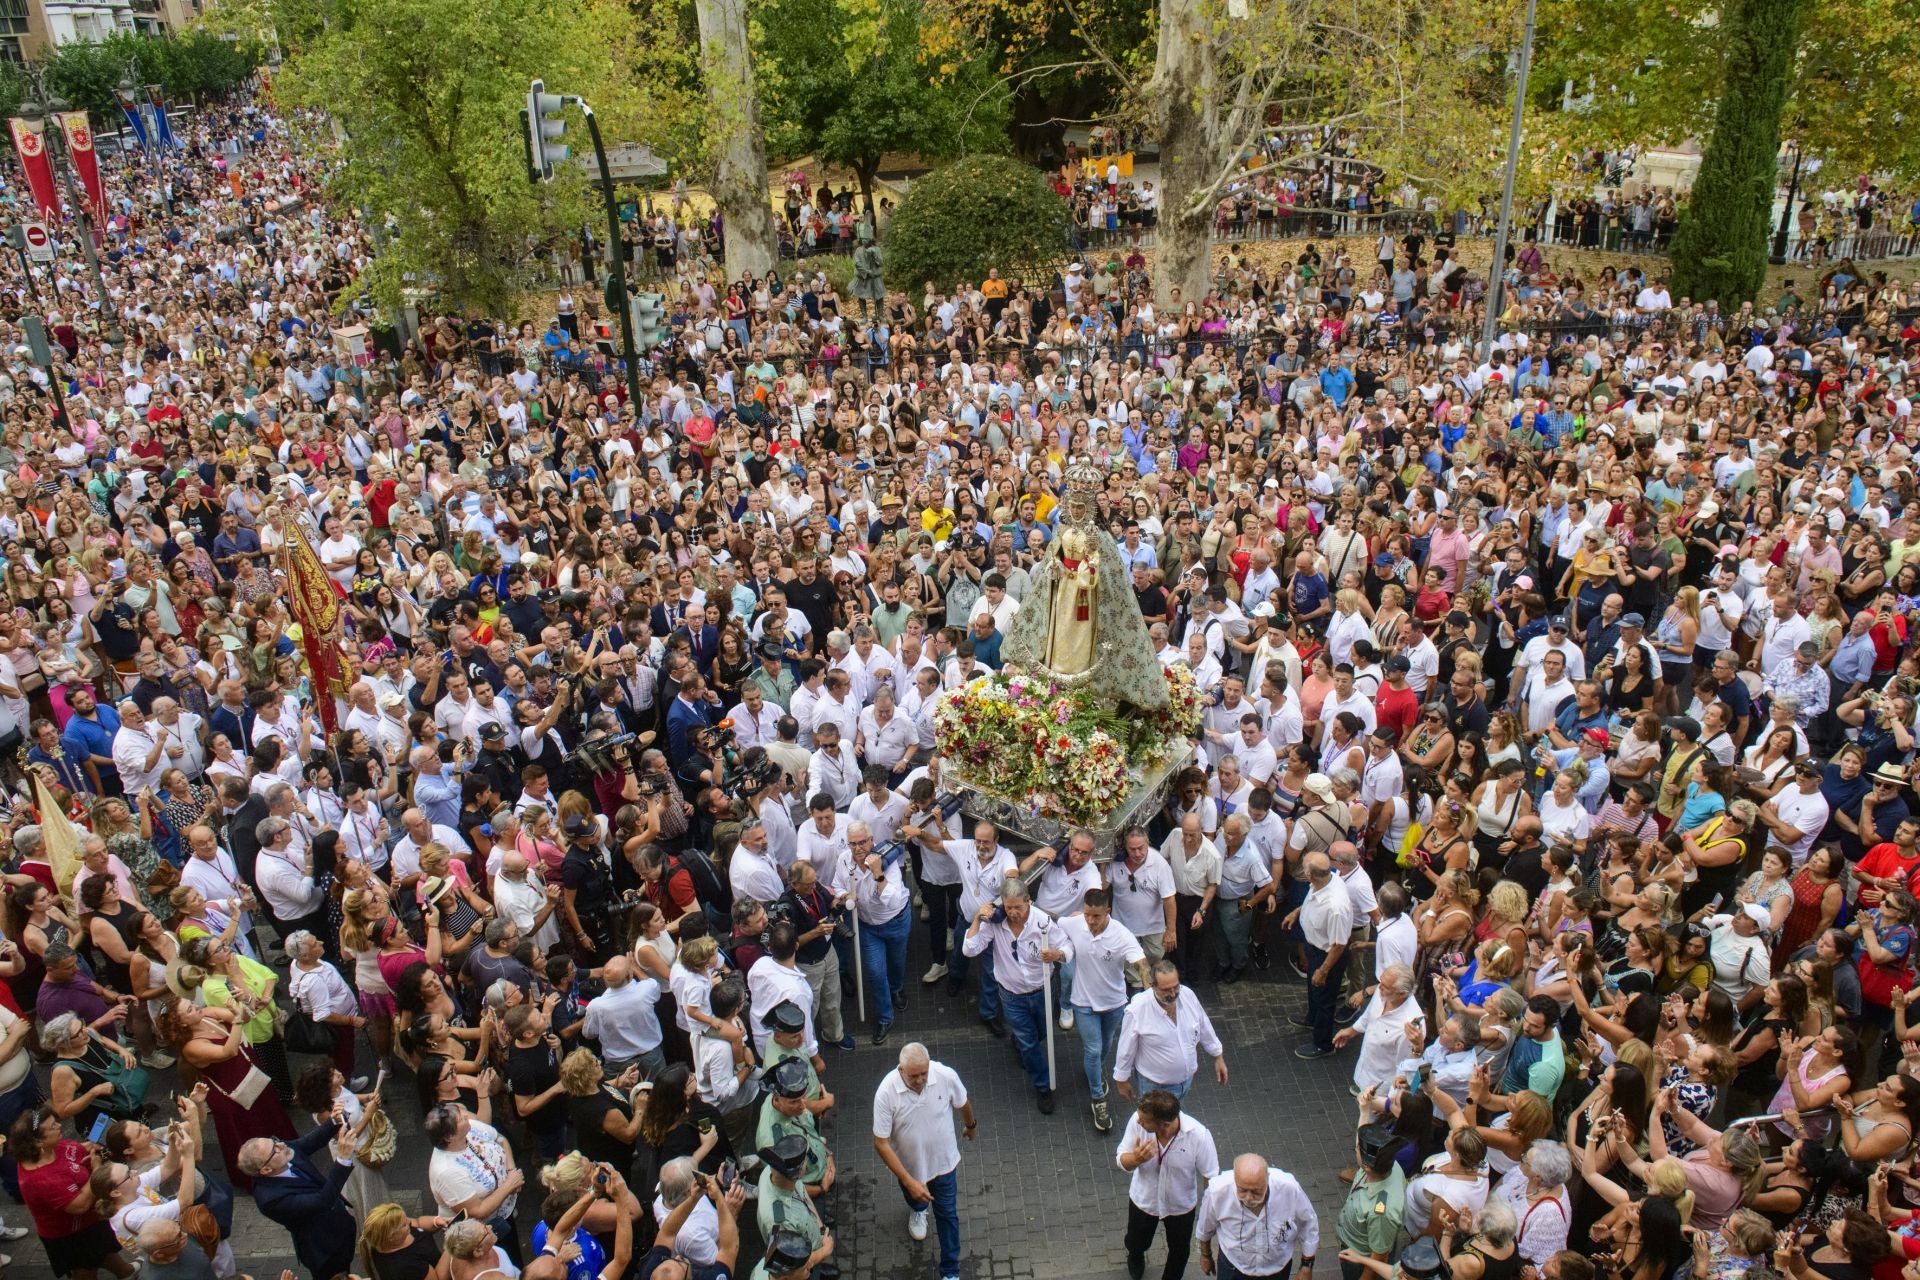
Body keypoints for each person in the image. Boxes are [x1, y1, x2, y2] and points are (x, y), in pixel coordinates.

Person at [961, 877, 1072, 1112]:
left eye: (1018, 907)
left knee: (1042, 1032)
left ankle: (1020, 1042)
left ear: (1028, 901)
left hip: (1043, 990)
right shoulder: (994, 923)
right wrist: (977, 918)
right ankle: (1043, 1087)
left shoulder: (1042, 921)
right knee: (1030, 1043)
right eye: (1008, 907)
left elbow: (1066, 946)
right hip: (1012, 996)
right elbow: (970, 949)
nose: (1012, 913)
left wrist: (1057, 954)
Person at [873, 1042, 975, 1280]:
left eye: (924, 1073)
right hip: (910, 1168)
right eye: (914, 1075)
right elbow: (880, 1143)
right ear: (901, 1069)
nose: (920, 1080)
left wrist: (971, 1126)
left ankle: (950, 1271)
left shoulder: (945, 1076)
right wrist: (909, 1181)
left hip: (944, 1165)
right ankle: (918, 1209)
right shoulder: (886, 1092)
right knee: (914, 1198)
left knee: (947, 1215)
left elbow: (963, 1102)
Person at [239, 1114, 361, 1280]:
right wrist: (342, 1160)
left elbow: (307, 1143)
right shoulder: (270, 1199)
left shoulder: (282, 1152)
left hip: (341, 1227)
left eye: (274, 1141)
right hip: (324, 1248)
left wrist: (334, 1121)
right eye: (275, 1149)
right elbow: (321, 1201)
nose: (281, 1144)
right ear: (266, 1170)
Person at [1118, 1089, 1221, 1280]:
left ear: (1164, 1124)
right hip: (1144, 1200)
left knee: (1179, 1252)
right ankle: (1135, 1255)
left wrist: (1209, 1212)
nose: (1138, 1122)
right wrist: (1136, 1159)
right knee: (1136, 1241)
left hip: (1180, 1206)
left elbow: (1211, 1176)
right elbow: (1121, 1158)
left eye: (1144, 1121)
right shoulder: (1137, 1120)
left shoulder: (1198, 1135)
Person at [1114, 960, 1229, 1100]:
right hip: (1155, 1088)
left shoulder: (1188, 995)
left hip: (1186, 1081)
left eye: (1176, 987)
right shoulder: (1137, 1010)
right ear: (1152, 986)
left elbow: (1204, 1025)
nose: (1173, 993)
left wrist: (1218, 1056)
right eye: (1166, 990)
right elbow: (1125, 1049)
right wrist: (1121, 1080)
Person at [1196, 1153, 1320, 1280]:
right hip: (1233, 1269)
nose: (1249, 1197)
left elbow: (1308, 1223)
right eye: (1243, 1190)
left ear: (1267, 1179)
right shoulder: (1217, 1192)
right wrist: (1205, 1255)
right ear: (1235, 1180)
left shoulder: (1289, 1188)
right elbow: (1205, 1228)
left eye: (1256, 1191)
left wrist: (1306, 1266)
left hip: (1277, 1270)